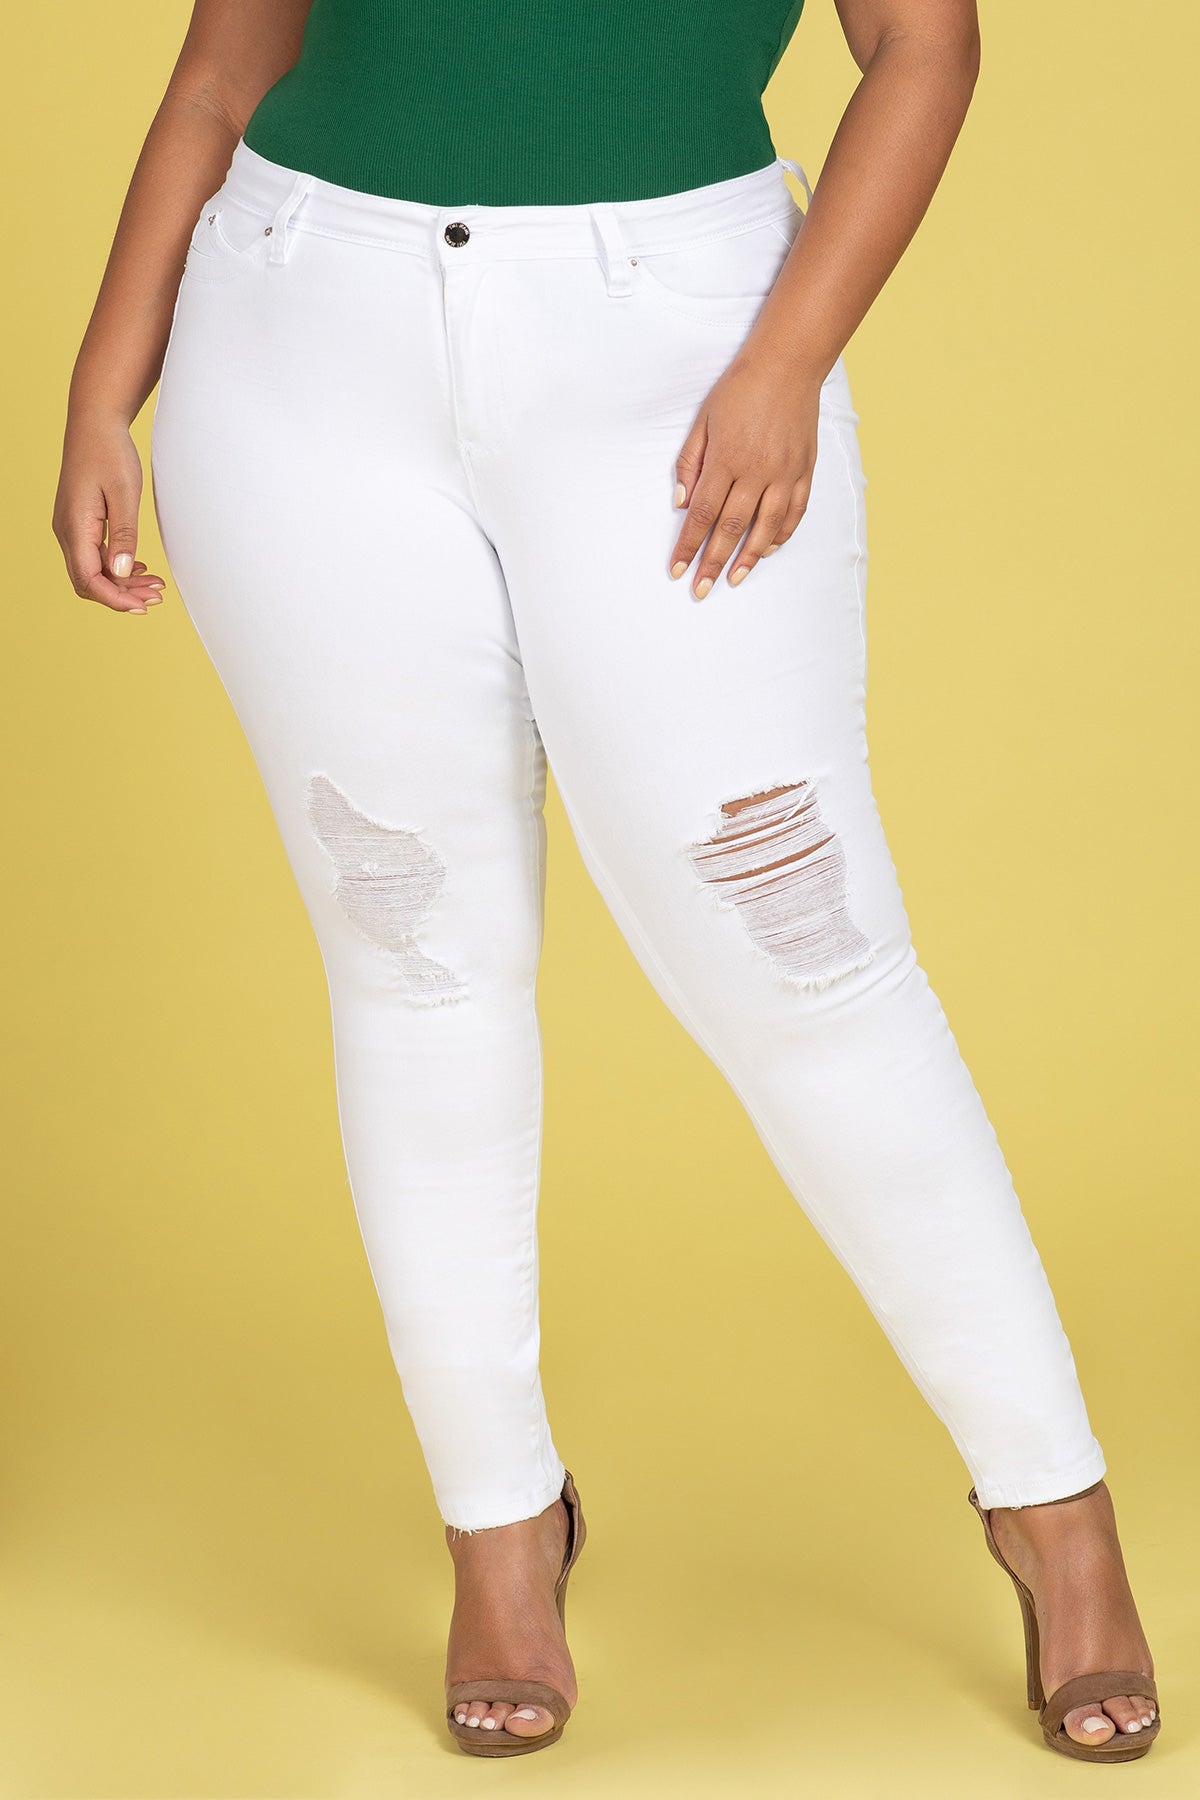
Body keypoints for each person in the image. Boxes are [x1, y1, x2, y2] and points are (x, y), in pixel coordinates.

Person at [52, 0, 1160, 1764]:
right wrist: (105, 389)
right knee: (414, 961)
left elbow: (925, 48)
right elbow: (219, 71)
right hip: (297, 334)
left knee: (803, 957)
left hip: (675, 343)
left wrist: (787, 362)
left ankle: (1054, 1509)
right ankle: (501, 1532)